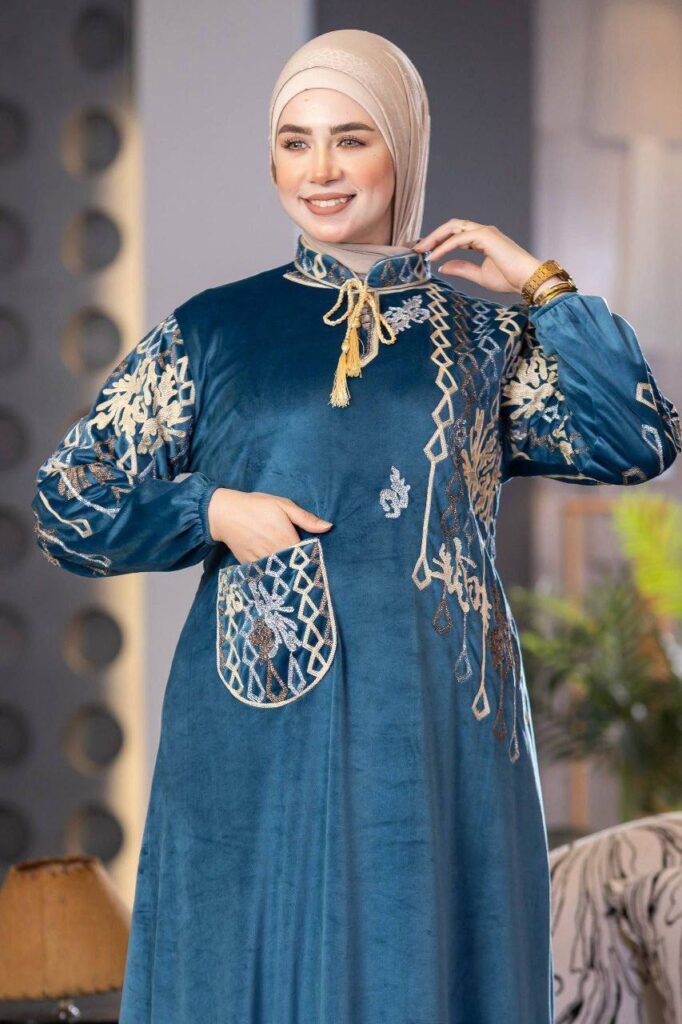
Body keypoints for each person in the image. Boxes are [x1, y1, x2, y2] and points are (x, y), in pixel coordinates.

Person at [31, 27, 681, 1024]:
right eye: (295, 142)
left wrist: (540, 286)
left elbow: (636, 438)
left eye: (351, 138)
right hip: (260, 720)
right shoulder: (215, 330)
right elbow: (67, 504)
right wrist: (212, 509)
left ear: (402, 150)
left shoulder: (484, 337)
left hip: (438, 724)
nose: (320, 170)